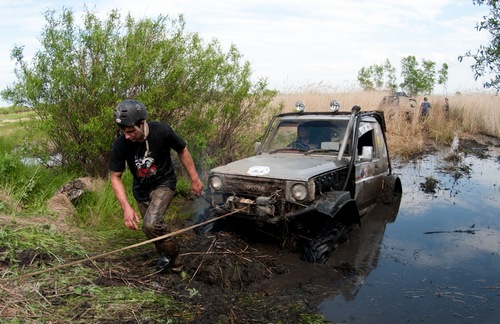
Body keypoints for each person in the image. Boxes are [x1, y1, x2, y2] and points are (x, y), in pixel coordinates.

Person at [109, 100, 203, 273]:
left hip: (164, 183)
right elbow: (115, 176)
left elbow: (182, 150)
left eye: (130, 131)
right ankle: (166, 256)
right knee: (150, 229)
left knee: (151, 224)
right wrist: (126, 208)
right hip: (141, 190)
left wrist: (195, 179)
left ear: (142, 124)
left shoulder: (162, 131)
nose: (127, 135)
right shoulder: (121, 144)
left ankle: (176, 262)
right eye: (123, 131)